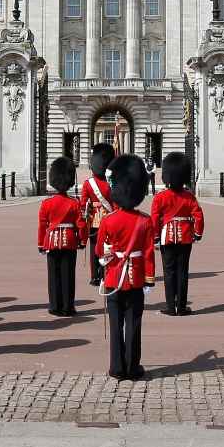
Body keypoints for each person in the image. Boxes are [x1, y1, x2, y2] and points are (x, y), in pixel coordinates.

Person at [96, 154, 156, 380]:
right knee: (133, 324)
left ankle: (117, 367)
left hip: (113, 277)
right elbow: (149, 253)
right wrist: (149, 280)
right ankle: (132, 367)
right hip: (136, 277)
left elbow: (99, 250)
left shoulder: (108, 220)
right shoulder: (144, 220)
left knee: (115, 324)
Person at [151, 152, 202, 316]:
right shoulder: (190, 197)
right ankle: (181, 307)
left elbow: (155, 219)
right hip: (185, 236)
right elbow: (198, 216)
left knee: (169, 272)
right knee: (182, 271)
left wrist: (156, 237)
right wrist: (198, 233)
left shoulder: (160, 197)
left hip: (166, 237)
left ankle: (170, 306)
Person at [38, 157, 88, 316]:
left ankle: (55, 306)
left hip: (51, 241)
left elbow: (42, 226)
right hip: (70, 241)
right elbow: (81, 224)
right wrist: (83, 240)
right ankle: (68, 307)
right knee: (68, 275)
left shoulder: (46, 203)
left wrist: (40, 243)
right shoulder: (74, 203)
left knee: (54, 275)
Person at [81, 144, 116, 287]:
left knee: (94, 247)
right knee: (107, 246)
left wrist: (87, 213)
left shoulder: (88, 183)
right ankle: (104, 273)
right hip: (110, 217)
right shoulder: (112, 182)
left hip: (95, 219)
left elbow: (82, 204)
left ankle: (94, 276)